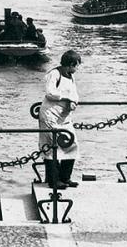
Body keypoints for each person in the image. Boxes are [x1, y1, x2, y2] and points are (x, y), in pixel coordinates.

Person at [38, 50, 82, 189]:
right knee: (52, 148)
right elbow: (50, 93)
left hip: (64, 117)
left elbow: (74, 94)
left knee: (71, 143)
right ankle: (54, 180)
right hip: (50, 115)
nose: (77, 68)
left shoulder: (70, 76)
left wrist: (73, 102)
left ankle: (65, 177)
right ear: (70, 64)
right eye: (76, 65)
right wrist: (65, 98)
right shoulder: (54, 74)